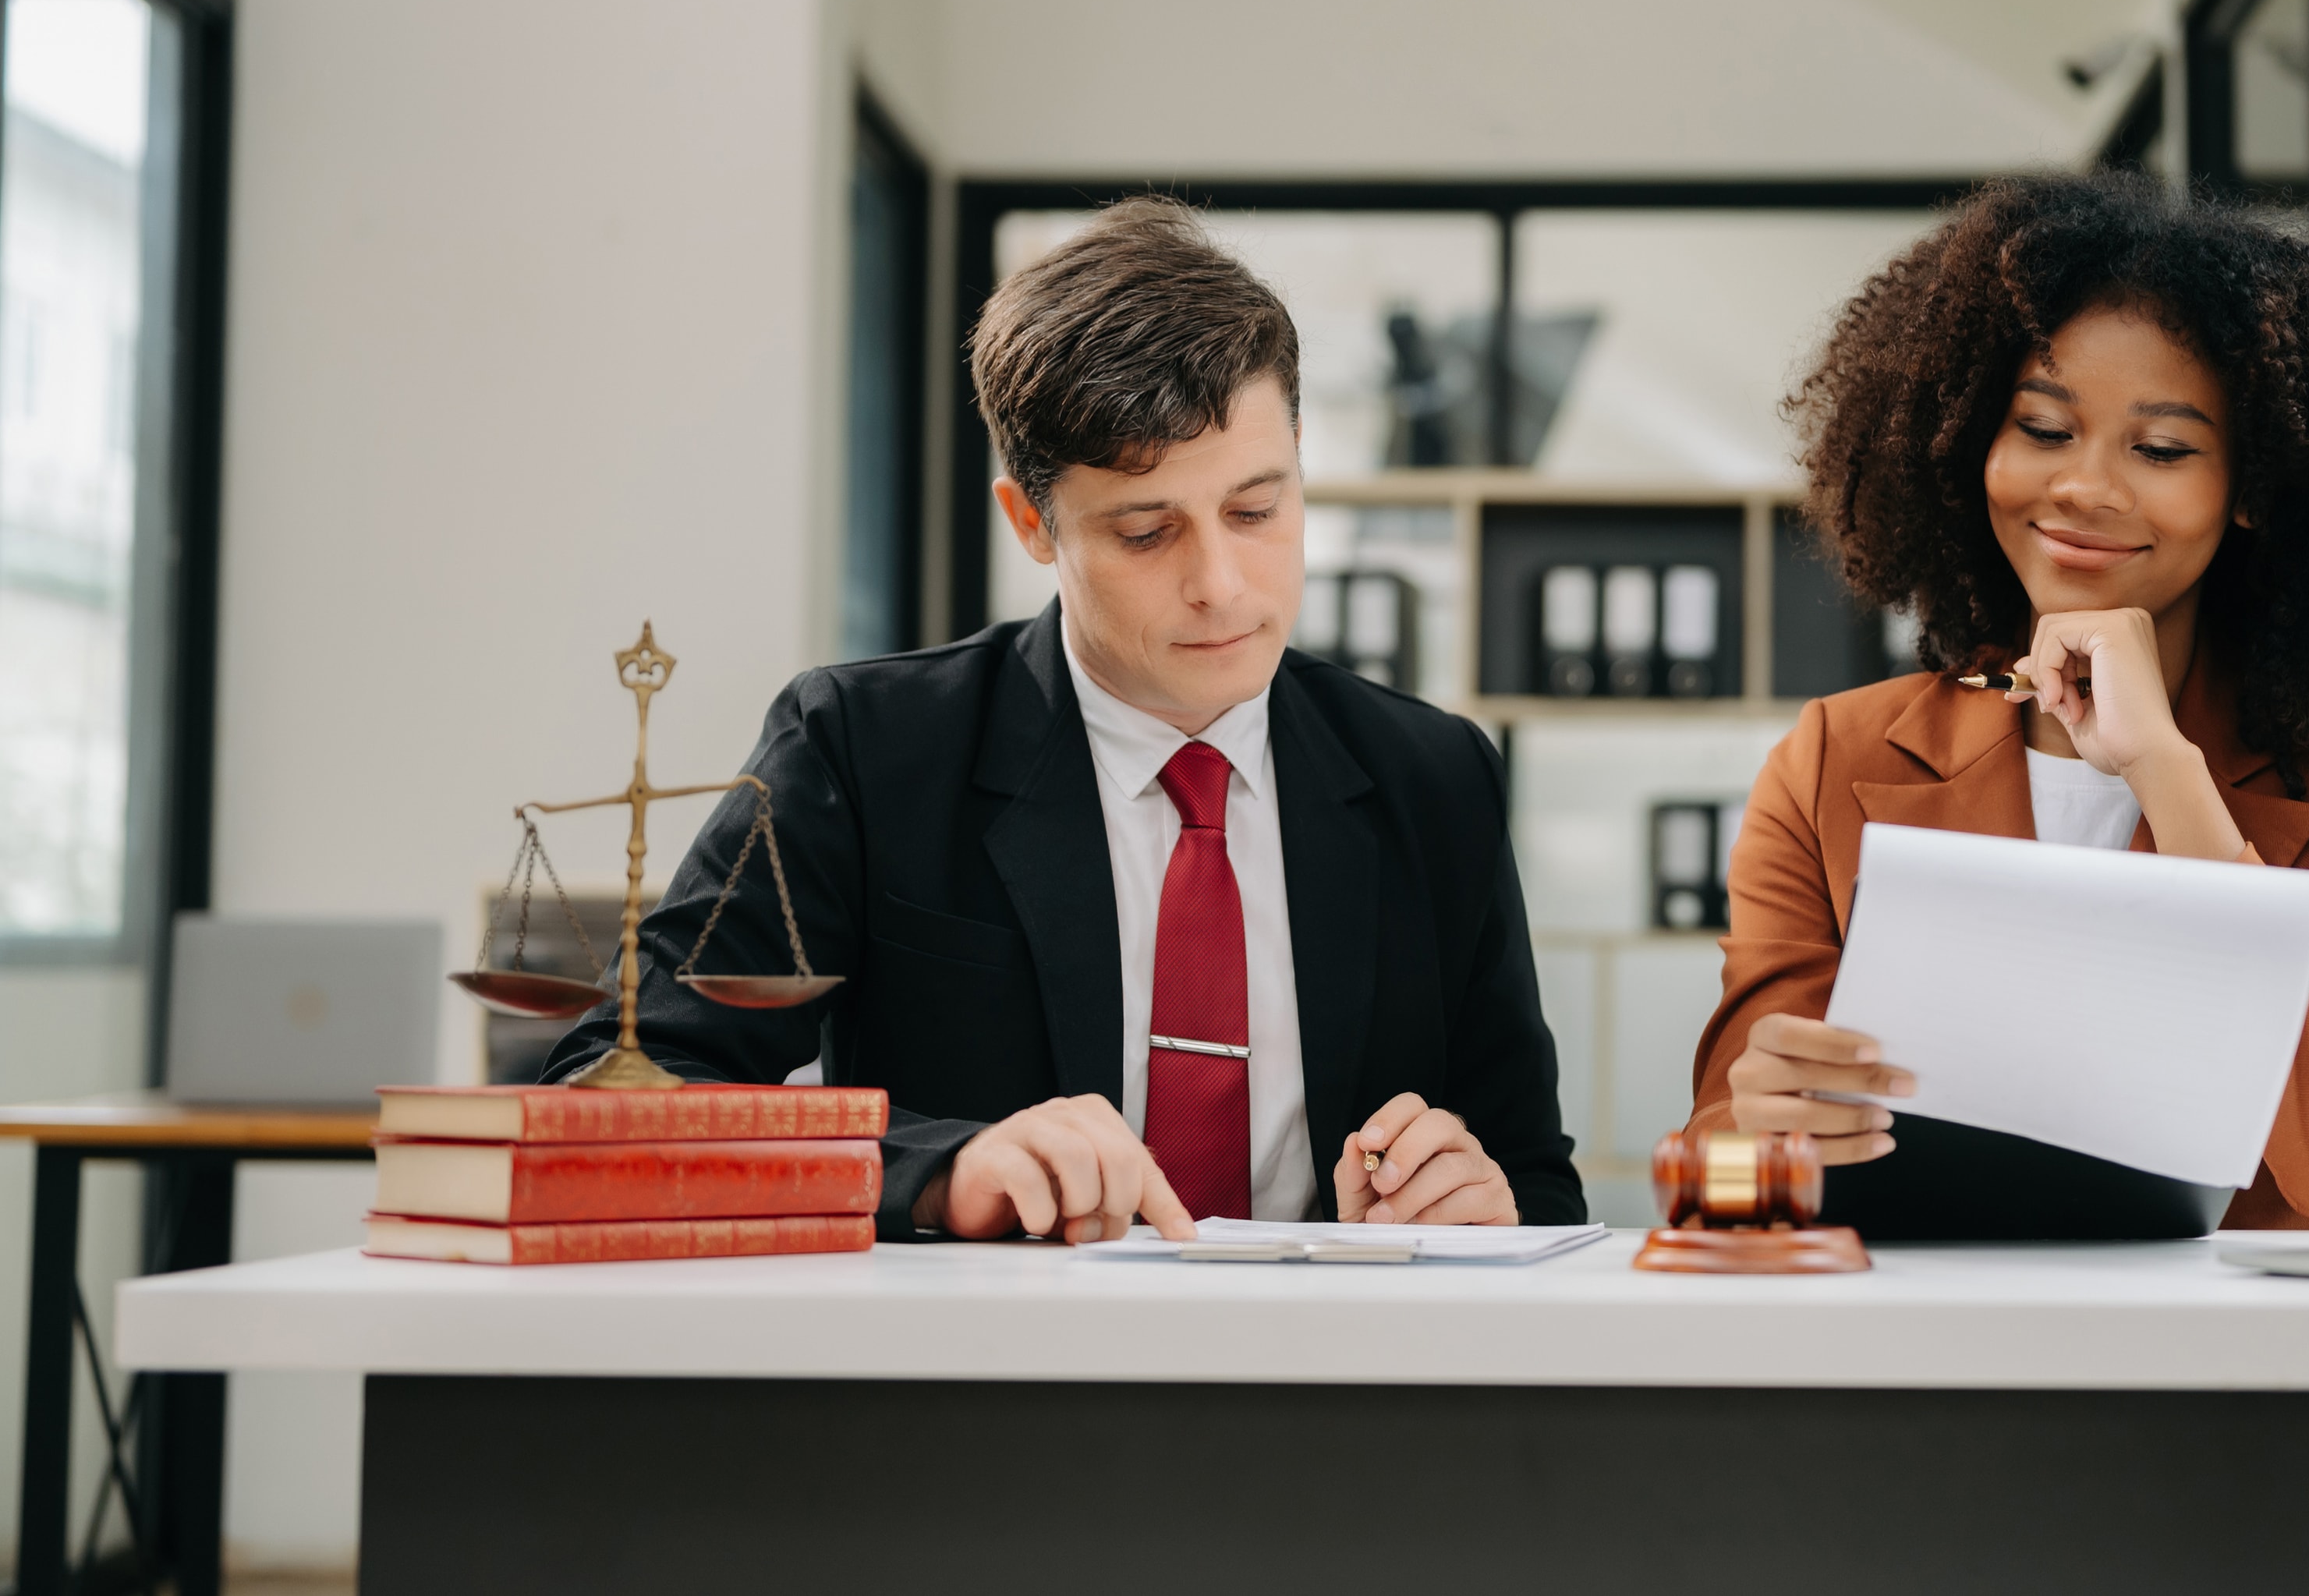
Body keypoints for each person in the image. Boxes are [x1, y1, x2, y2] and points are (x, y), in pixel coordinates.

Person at [547, 199, 1582, 1240]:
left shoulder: (1434, 779)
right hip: (987, 1384)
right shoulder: (864, 750)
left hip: (1332, 1384)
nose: (1220, 584)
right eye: (1145, 531)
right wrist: (939, 1168)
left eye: (1256, 511)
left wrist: (1484, 1206)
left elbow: (1537, 1182)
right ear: (1032, 524)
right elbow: (606, 1092)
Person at [1686, 175, 2309, 1229]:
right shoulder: (1832, 759)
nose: (2084, 486)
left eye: (2162, 449)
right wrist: (1755, 1127)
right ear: (1968, 444)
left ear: (2255, 487)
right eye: (2042, 429)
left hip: (2226, 1381)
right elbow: (1717, 1178)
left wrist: (2172, 779)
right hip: (1919, 1364)